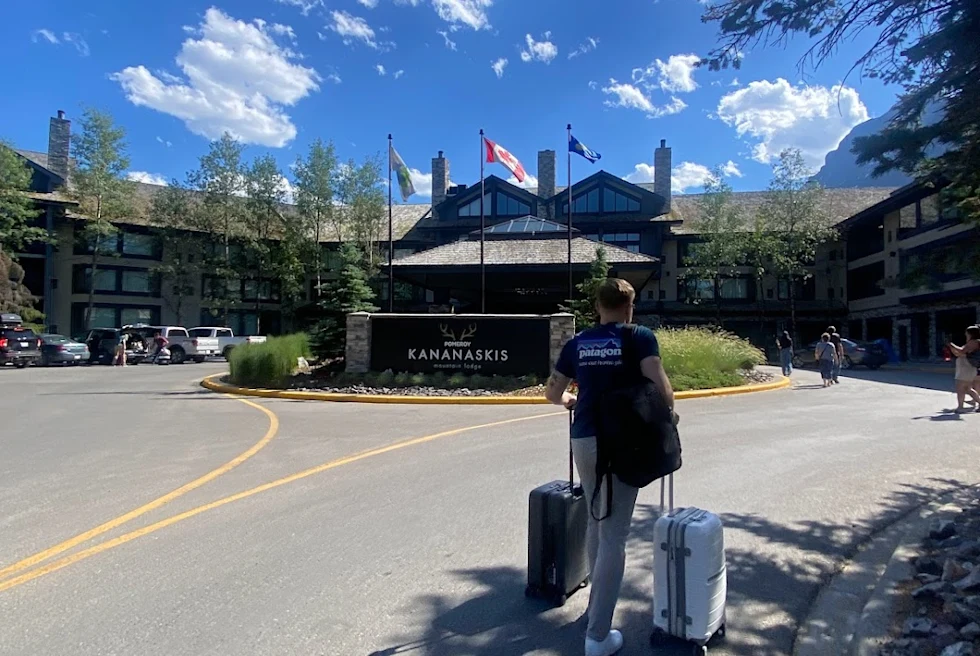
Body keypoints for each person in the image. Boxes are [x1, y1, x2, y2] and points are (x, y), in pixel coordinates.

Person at [545, 278, 674, 656]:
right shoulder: (640, 337)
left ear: (597, 306)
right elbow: (661, 389)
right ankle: (598, 636)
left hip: (584, 439)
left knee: (596, 519)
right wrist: (668, 416)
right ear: (630, 305)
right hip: (623, 442)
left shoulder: (578, 343)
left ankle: (593, 609)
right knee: (615, 535)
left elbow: (553, 392)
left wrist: (571, 400)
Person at [948, 326, 980, 413]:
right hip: (965, 367)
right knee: (967, 388)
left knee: (960, 388)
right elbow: (958, 353)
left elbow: (961, 351)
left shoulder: (974, 342)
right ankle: (962, 406)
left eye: (967, 332)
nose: (965, 333)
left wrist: (952, 345)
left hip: (967, 368)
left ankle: (960, 407)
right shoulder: (970, 342)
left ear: (971, 333)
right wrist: (951, 347)